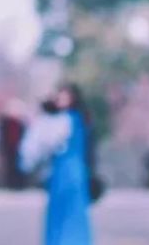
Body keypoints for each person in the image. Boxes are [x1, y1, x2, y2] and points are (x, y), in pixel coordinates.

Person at [20, 85, 95, 245]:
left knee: (67, 210)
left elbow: (48, 143)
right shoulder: (77, 119)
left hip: (67, 170)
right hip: (68, 171)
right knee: (67, 209)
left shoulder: (67, 119)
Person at [0, 100, 28, 190]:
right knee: (9, 166)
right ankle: (10, 185)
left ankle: (20, 185)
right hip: (9, 148)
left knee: (20, 167)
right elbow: (2, 136)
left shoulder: (21, 123)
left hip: (20, 148)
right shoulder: (5, 123)